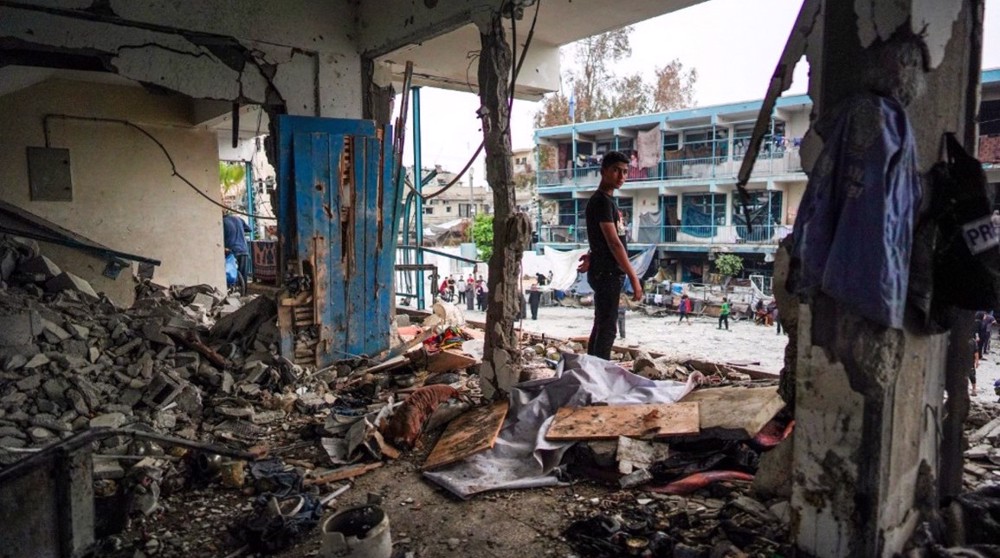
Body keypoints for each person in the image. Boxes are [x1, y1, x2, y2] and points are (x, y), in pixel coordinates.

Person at [576, 151, 643, 360]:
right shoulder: (602, 202)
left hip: (604, 269)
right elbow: (614, 243)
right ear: (603, 171)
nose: (621, 176)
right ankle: (599, 375)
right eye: (615, 170)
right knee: (607, 328)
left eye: (625, 172)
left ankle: (592, 370)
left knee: (601, 323)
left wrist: (591, 254)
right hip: (607, 273)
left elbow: (602, 239)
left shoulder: (606, 201)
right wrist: (634, 276)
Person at [223, 212, 251, 281]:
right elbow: (249, 229)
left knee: (231, 275)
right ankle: (243, 291)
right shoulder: (239, 219)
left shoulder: (223, 222)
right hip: (243, 251)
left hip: (231, 252)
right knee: (243, 277)